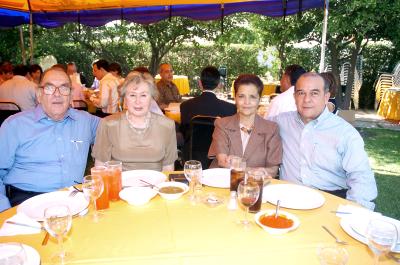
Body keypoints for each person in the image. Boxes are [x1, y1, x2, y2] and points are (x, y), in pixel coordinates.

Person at [270, 72, 377, 209]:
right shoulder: (281, 121)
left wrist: (354, 212)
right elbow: (253, 126)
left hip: (330, 200)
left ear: (326, 97)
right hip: (288, 199)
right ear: (294, 97)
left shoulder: (345, 133)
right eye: (301, 93)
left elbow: (361, 177)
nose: (307, 99)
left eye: (314, 93)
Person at [0, 68, 100, 211]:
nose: (57, 94)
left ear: (71, 95)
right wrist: (4, 212)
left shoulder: (85, 121)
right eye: (49, 88)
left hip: (74, 200)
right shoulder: (15, 125)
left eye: (64, 88)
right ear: (39, 94)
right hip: (27, 201)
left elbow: (116, 127)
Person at [92, 72, 177, 172]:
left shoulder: (167, 125)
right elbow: (100, 167)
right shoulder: (108, 124)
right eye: (132, 95)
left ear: (152, 98)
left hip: (156, 186)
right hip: (119, 186)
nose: (138, 101)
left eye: (143, 95)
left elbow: (168, 168)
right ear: (125, 98)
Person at [208, 74, 282, 176]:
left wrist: (263, 172)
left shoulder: (272, 129)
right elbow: (222, 161)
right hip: (223, 185)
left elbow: (273, 169)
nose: (247, 102)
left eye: (252, 97)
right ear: (235, 98)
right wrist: (253, 171)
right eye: (241, 96)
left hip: (254, 187)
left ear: (259, 99)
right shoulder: (222, 124)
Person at [180, 66, 236, 136]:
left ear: (200, 83)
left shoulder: (185, 106)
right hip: (218, 146)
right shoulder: (231, 109)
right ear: (219, 85)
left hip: (192, 146)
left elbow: (183, 132)